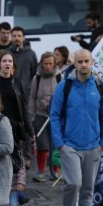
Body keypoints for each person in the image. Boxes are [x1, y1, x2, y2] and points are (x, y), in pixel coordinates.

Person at [49, 49, 103, 206]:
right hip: (70, 145)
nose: (84, 65)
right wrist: (60, 143)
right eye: (80, 62)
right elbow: (55, 115)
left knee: (87, 189)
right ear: (74, 63)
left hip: (93, 145)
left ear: (92, 62)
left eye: (86, 61)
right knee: (73, 183)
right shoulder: (64, 86)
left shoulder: (101, 87)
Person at [28, 53, 60, 182]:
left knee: (57, 143)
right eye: (45, 63)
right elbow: (32, 97)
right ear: (41, 64)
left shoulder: (59, 76)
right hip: (40, 115)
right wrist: (32, 115)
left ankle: (56, 171)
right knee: (42, 144)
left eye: (50, 64)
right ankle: (41, 171)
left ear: (54, 64)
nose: (47, 66)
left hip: (56, 116)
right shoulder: (37, 78)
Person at [8, 26, 38, 93]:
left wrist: (30, 87)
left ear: (23, 38)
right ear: (11, 38)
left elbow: (35, 73)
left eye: (19, 36)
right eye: (14, 36)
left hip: (27, 93)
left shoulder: (31, 54)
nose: (17, 38)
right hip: (10, 91)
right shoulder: (6, 54)